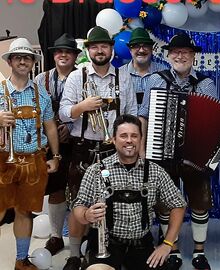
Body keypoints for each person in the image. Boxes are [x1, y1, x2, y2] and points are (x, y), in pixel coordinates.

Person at [59, 26, 137, 270]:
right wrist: (82, 106)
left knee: (110, 201)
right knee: (78, 203)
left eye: (104, 46)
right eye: (95, 46)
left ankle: (104, 249)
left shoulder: (123, 76)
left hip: (113, 150)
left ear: (111, 50)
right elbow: (63, 113)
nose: (100, 50)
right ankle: (74, 254)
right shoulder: (76, 76)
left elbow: (132, 113)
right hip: (83, 149)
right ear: (88, 50)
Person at [139, 32, 217, 270]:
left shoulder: (206, 84)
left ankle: (199, 252)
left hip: (195, 154)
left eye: (185, 52)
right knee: (165, 202)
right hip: (161, 152)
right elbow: (143, 116)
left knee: (200, 201)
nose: (180, 56)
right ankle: (171, 248)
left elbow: (214, 121)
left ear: (193, 56)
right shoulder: (155, 80)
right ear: (168, 56)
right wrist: (142, 149)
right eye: (175, 52)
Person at [72, 114, 186, 270]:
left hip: (141, 245)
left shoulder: (155, 171)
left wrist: (167, 244)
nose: (129, 140)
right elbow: (78, 206)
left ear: (141, 139)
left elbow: (178, 205)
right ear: (113, 139)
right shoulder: (96, 170)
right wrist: (86, 215)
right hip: (106, 244)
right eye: (123, 136)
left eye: (134, 136)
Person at [0, 38, 60, 270]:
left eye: (27, 57)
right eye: (18, 57)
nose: (23, 61)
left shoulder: (40, 93)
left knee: (23, 211)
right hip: (3, 159)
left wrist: (56, 156)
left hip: (33, 160)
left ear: (33, 62)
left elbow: (50, 126)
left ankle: (21, 260)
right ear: (11, 61)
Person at [34, 33, 81, 256]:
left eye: (68, 51)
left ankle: (82, 236)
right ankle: (55, 236)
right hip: (50, 144)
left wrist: (69, 130)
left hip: (78, 141)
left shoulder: (83, 77)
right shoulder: (40, 79)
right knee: (56, 189)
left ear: (75, 56)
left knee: (82, 189)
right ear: (53, 55)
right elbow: (34, 112)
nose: (63, 55)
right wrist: (48, 132)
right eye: (59, 51)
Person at [119, 27, 166, 107]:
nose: (141, 50)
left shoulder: (164, 72)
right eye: (136, 46)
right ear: (130, 50)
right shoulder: (120, 74)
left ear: (151, 49)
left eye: (145, 46)